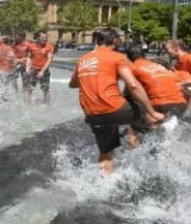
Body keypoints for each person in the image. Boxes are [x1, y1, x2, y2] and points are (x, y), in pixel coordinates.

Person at [69, 28, 164, 175]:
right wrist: (151, 112)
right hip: (116, 110)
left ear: (97, 41)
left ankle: (104, 184)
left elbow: (73, 84)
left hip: (92, 115)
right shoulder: (117, 57)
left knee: (106, 154)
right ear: (114, 41)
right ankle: (157, 147)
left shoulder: (83, 59)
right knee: (147, 108)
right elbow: (133, 84)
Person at [126, 46, 188, 119]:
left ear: (129, 58)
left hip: (159, 104)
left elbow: (129, 91)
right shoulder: (158, 65)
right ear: (144, 55)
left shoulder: (132, 67)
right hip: (181, 103)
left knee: (135, 117)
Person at [24, 32, 53, 104]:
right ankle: (27, 106)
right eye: (43, 37)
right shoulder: (31, 46)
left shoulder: (49, 46)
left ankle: (47, 106)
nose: (45, 39)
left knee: (45, 90)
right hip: (33, 70)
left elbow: (49, 59)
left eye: (46, 37)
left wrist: (42, 71)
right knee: (29, 89)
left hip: (44, 71)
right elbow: (29, 57)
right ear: (37, 38)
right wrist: (27, 68)